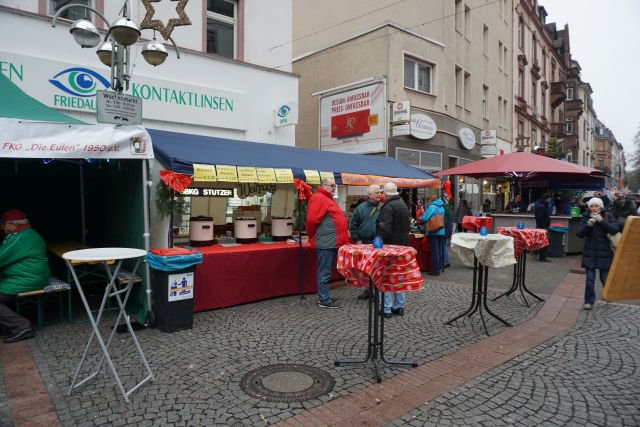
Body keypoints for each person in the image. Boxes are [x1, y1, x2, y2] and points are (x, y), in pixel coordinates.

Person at [0, 209, 49, 343]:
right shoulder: (23, 234)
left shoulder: (20, 237)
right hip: (24, 277)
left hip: (27, 279)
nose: (2, 226)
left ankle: (22, 327)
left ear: (12, 224)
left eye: (3, 223)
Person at [305, 178, 349, 309]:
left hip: (330, 242)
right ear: (323, 186)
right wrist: (313, 235)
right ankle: (323, 299)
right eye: (332, 186)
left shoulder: (325, 198)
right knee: (324, 272)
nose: (334, 188)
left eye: (335, 186)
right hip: (326, 243)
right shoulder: (319, 198)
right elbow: (312, 221)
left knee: (326, 272)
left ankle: (325, 296)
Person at [576, 197, 621, 310]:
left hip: (605, 251)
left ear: (600, 206)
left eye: (596, 206)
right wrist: (588, 225)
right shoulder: (586, 216)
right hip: (590, 252)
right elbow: (580, 234)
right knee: (590, 279)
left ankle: (608, 294)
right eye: (591, 206)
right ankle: (589, 301)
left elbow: (615, 229)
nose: (594, 208)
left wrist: (601, 221)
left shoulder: (608, 215)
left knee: (604, 278)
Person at [376, 182, 410, 318]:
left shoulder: (388, 207)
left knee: (385, 277)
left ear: (386, 194)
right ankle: (399, 306)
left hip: (389, 246)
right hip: (402, 245)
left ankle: (386, 308)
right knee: (399, 277)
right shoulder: (403, 204)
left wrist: (379, 242)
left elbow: (385, 229)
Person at [349, 185, 383, 300]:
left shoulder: (383, 207)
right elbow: (353, 225)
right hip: (364, 242)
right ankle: (367, 290)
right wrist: (357, 239)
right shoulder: (360, 208)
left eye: (380, 192)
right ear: (370, 195)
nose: (379, 194)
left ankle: (376, 291)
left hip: (378, 242)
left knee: (377, 268)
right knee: (365, 268)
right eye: (377, 192)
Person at [421, 196, 445, 276]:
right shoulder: (442, 207)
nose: (427, 203)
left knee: (435, 251)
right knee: (439, 250)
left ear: (430, 200)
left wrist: (421, 217)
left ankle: (435, 270)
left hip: (434, 231)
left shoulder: (432, 207)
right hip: (441, 231)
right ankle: (440, 267)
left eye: (427, 201)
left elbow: (425, 218)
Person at [534, 193, 552, 262]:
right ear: (547, 198)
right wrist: (544, 227)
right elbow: (539, 218)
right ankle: (538, 254)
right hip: (542, 227)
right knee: (547, 240)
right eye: (550, 198)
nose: (550, 200)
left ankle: (540, 255)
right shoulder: (542, 207)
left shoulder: (541, 205)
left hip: (542, 227)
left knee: (543, 241)